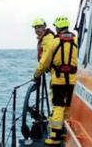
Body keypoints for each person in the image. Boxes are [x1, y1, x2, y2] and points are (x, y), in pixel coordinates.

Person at [33, 16, 78, 146]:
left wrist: (37, 74)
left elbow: (44, 62)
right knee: (67, 106)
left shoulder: (54, 42)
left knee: (58, 106)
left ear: (58, 27)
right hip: (73, 80)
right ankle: (65, 132)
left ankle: (55, 137)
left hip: (58, 80)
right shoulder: (76, 40)